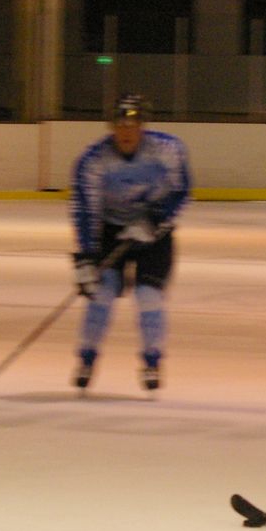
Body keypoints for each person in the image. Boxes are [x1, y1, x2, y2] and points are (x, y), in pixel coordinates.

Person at [69, 92, 192, 392]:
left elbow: (181, 190)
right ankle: (87, 357)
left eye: (132, 125)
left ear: (143, 126)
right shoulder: (93, 160)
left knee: (149, 296)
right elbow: (86, 209)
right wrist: (87, 257)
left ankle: (152, 360)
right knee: (101, 294)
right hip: (112, 233)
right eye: (120, 125)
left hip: (155, 236)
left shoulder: (167, 149)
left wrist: (153, 220)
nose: (126, 131)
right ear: (111, 127)